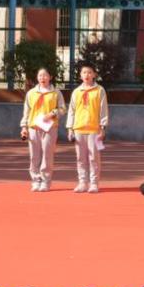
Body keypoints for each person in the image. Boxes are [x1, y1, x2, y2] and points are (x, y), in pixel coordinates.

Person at [19, 67, 66, 192]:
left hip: (49, 128)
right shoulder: (31, 93)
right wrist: (24, 127)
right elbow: (27, 112)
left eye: (45, 75)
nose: (42, 78)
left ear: (50, 77)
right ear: (37, 78)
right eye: (40, 76)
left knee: (47, 155)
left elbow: (62, 109)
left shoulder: (56, 93)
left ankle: (46, 181)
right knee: (34, 156)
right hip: (34, 128)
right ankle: (35, 180)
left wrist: (53, 113)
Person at [67, 63, 109, 194]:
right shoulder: (76, 92)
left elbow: (103, 110)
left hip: (94, 129)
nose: (87, 75)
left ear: (94, 75)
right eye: (84, 72)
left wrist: (102, 127)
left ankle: (94, 183)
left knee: (93, 157)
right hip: (79, 129)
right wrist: (70, 128)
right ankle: (82, 182)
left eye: (89, 72)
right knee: (80, 157)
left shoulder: (99, 90)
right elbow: (71, 111)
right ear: (80, 75)